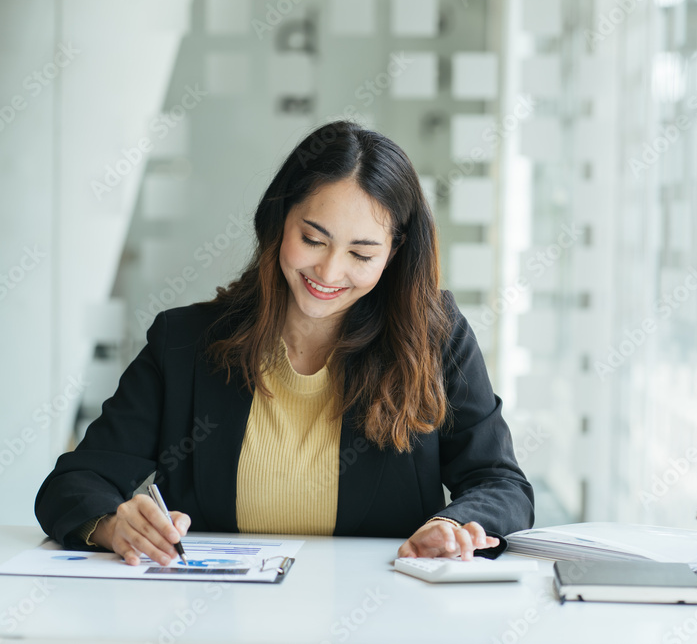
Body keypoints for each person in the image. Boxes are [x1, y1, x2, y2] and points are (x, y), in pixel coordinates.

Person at [34, 120, 534, 566]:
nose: (330, 272)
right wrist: (111, 525)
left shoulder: (435, 337)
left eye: (361, 254)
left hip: (379, 617)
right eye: (313, 240)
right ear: (278, 221)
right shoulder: (183, 342)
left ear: (394, 254)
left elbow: (500, 483)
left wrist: (453, 526)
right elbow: (74, 484)